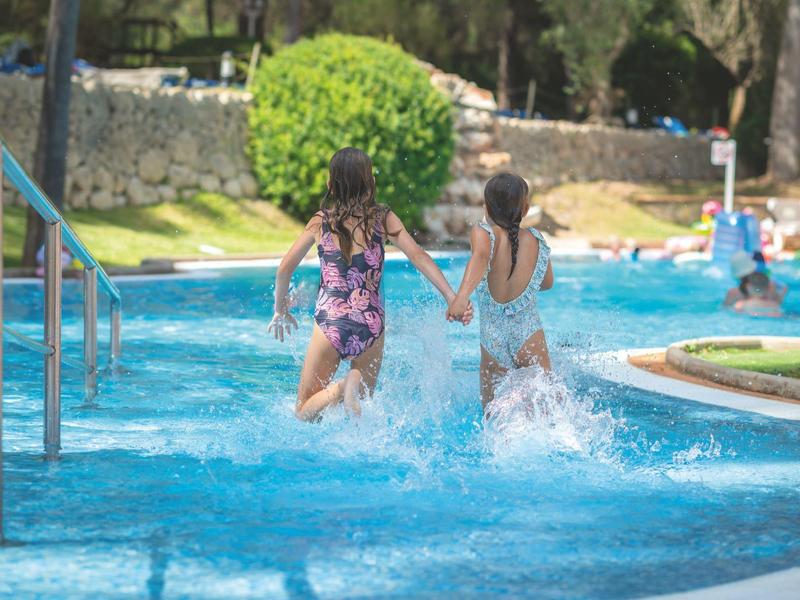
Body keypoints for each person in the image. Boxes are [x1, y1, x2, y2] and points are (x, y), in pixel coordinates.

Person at [268, 147, 472, 421]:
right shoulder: (382, 218)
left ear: (330, 184)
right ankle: (351, 384)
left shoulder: (320, 222)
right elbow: (418, 256)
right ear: (370, 183)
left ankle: (341, 387)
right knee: (361, 411)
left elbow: (284, 269)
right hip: (371, 325)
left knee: (304, 411)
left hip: (331, 322)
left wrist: (280, 309)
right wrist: (451, 295)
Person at [446, 173, 554, 409]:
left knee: (493, 418)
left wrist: (461, 296)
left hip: (493, 342)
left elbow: (481, 257)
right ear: (525, 209)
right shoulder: (537, 240)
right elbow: (547, 283)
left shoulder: (483, 233)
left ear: (487, 208)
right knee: (545, 409)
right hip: (530, 336)